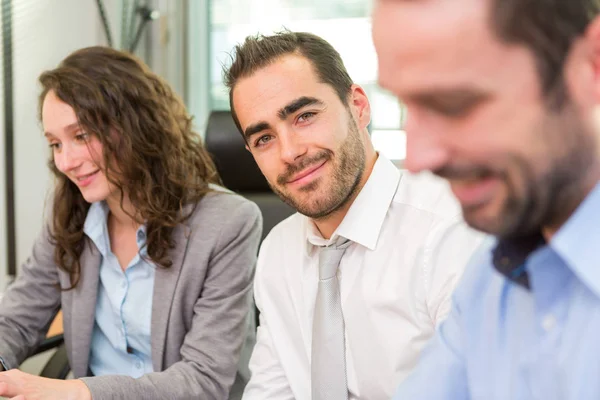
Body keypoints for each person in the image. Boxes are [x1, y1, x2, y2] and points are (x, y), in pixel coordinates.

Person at [223, 31, 484, 399]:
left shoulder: (450, 231)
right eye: (264, 138)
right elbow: (271, 390)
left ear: (358, 106)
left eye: (304, 116)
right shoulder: (277, 252)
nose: (289, 152)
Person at [0, 46, 262, 400]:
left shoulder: (228, 224)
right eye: (55, 144)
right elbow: (16, 319)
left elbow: (203, 380)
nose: (66, 161)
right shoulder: (69, 217)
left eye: (81, 136)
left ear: (136, 125)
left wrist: (76, 393)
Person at [372, 0, 600, 398]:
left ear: (593, 65)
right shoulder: (490, 280)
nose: (418, 157)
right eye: (404, 105)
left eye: (454, 105)